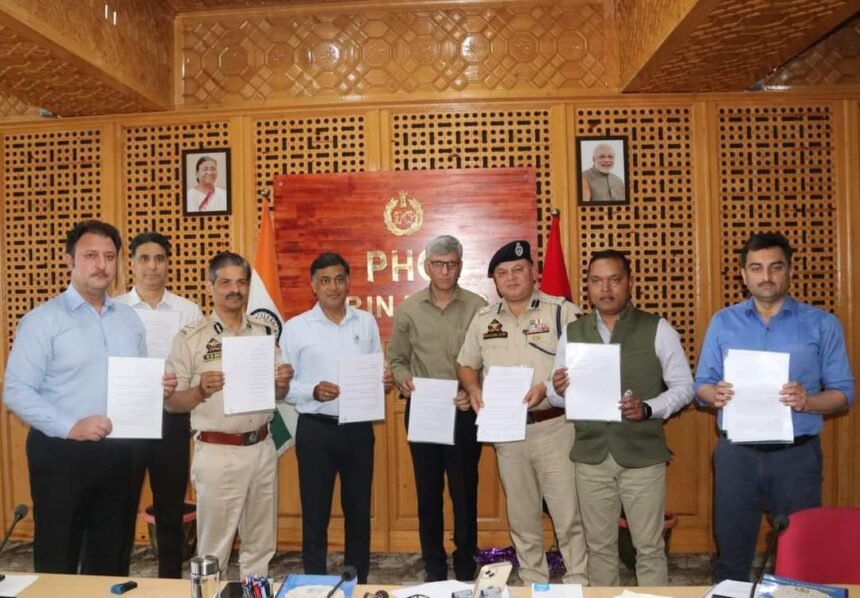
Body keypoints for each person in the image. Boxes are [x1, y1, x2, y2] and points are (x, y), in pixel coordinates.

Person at [3, 219, 177, 575]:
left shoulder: (129, 319)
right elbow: (16, 390)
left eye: (109, 257)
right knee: (58, 556)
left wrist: (156, 387)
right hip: (61, 452)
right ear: (69, 259)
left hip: (121, 454)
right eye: (90, 256)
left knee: (112, 554)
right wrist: (71, 426)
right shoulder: (42, 320)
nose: (101, 265)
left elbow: (135, 378)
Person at [694, 232, 854, 583]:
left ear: (789, 270)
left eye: (775, 267)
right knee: (731, 560)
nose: (766, 276)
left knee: (802, 557)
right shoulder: (723, 322)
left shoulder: (822, 324)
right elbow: (701, 383)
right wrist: (713, 394)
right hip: (737, 456)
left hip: (796, 458)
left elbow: (844, 393)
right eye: (757, 268)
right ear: (744, 275)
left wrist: (809, 401)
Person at [549, 250, 693, 586]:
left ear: (629, 283)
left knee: (649, 548)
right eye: (597, 281)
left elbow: (685, 387)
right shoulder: (573, 332)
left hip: (642, 456)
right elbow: (556, 396)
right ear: (588, 286)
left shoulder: (657, 328)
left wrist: (649, 408)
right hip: (591, 457)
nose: (606, 288)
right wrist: (557, 388)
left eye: (614, 280)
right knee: (599, 548)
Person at [457, 240, 588, 585]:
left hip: (554, 428)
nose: (511, 278)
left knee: (568, 515)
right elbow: (466, 364)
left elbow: (585, 364)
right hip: (507, 432)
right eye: (502, 273)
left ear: (534, 273)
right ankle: (533, 581)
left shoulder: (561, 312)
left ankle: (578, 581)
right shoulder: (484, 319)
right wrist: (472, 388)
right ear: (495, 281)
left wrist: (547, 387)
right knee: (522, 516)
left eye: (518, 270)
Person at [165, 251, 293, 578]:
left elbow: (277, 394)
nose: (234, 289)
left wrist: (282, 383)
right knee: (213, 551)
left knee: (261, 547)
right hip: (218, 452)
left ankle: (255, 594)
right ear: (210, 286)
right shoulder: (191, 338)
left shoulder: (264, 332)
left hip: (262, 448)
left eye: (241, 282)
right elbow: (172, 403)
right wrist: (199, 391)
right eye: (225, 282)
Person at [280, 252, 391, 584]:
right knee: (315, 514)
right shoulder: (296, 328)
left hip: (358, 430)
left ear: (349, 282)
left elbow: (377, 369)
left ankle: (356, 581)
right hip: (316, 431)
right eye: (325, 280)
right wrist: (312, 391)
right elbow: (283, 387)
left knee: (358, 512)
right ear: (313, 285)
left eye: (339, 279)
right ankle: (314, 582)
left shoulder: (366, 322)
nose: (333, 287)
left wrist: (383, 382)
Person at [389, 235, 487, 582]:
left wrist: (473, 389)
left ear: (460, 266)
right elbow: (397, 358)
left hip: (464, 412)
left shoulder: (478, 306)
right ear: (427, 266)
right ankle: (433, 564)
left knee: (464, 491)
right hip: (424, 410)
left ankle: (465, 563)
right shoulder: (410, 308)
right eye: (439, 264)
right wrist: (402, 379)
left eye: (452, 264)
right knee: (427, 492)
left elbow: (489, 359)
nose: (445, 271)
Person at [114, 231, 203, 578]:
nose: (152, 266)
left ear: (168, 264)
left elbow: (198, 363)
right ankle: (115, 579)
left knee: (170, 508)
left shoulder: (187, 310)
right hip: (126, 419)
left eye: (160, 259)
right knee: (121, 507)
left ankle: (170, 583)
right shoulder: (114, 308)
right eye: (144, 259)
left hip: (172, 416)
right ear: (131, 264)